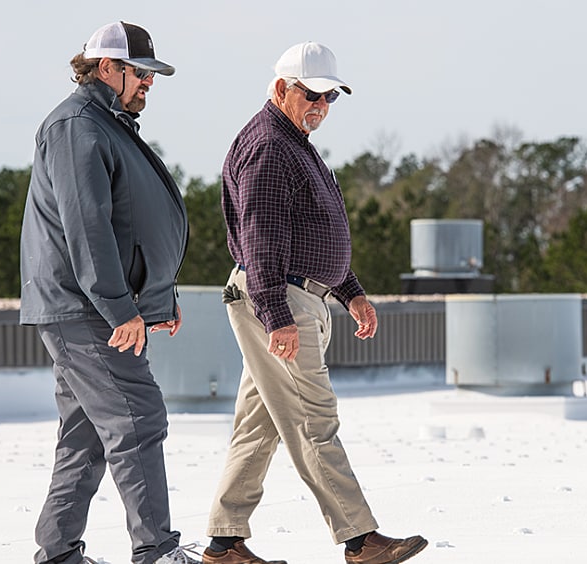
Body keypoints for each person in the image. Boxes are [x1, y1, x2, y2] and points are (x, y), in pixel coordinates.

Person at [203, 41, 428, 564]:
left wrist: (350, 291)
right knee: (312, 417)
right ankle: (359, 538)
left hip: (295, 295)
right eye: (312, 95)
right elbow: (261, 237)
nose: (321, 107)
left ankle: (224, 541)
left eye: (330, 98)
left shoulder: (293, 142)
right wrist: (276, 315)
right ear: (281, 89)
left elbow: (309, 232)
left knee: (260, 425)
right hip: (278, 298)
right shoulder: (268, 145)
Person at [19, 21, 198, 564]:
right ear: (107, 68)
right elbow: (88, 228)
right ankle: (157, 551)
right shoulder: (78, 126)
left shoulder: (105, 123)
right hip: (85, 308)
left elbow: (126, 222)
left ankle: (57, 554)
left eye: (150, 75)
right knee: (138, 418)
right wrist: (121, 308)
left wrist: (153, 299)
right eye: (140, 73)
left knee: (88, 434)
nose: (148, 84)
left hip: (90, 306)